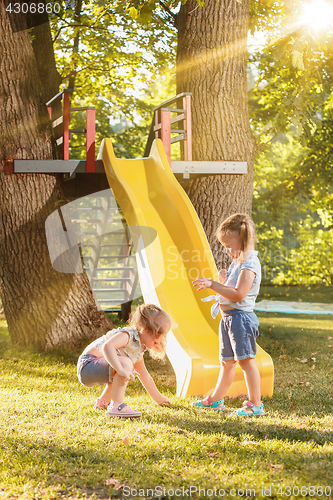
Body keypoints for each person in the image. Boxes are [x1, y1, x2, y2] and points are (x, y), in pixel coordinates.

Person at [192, 213, 265, 416]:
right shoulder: (238, 262)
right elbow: (230, 291)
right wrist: (222, 281)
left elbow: (239, 294)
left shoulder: (249, 264)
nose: (226, 250)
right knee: (227, 362)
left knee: (246, 361)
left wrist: (213, 285)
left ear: (242, 241)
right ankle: (216, 400)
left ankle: (255, 405)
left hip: (240, 319)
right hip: (229, 320)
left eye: (229, 245)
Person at [77, 303, 172, 418]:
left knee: (124, 368)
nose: (161, 339)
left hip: (94, 368)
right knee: (125, 365)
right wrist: (120, 369)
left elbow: (144, 376)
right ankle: (116, 406)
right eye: (158, 334)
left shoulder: (137, 348)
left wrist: (159, 399)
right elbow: (107, 347)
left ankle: (102, 402)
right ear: (145, 329)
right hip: (87, 365)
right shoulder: (128, 335)